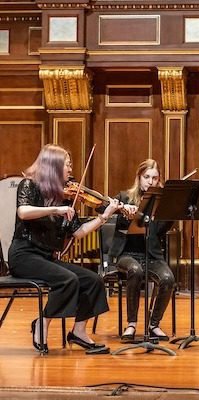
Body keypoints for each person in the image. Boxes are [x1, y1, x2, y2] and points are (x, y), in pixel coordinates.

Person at [8, 144, 121, 354]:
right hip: (24, 255)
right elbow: (23, 212)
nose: (71, 170)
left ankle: (78, 332)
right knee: (68, 279)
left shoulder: (65, 197)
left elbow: (78, 232)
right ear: (53, 167)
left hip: (46, 257)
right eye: (67, 165)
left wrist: (104, 216)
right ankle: (42, 324)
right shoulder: (29, 186)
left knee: (93, 280)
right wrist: (56, 209)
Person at [109, 159, 175, 343]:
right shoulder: (124, 197)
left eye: (154, 178)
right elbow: (102, 207)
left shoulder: (161, 204)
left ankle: (154, 324)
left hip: (152, 256)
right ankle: (131, 324)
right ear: (139, 178)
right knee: (135, 270)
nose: (150, 181)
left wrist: (166, 212)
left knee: (168, 278)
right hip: (127, 254)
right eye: (146, 177)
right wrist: (123, 210)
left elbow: (160, 232)